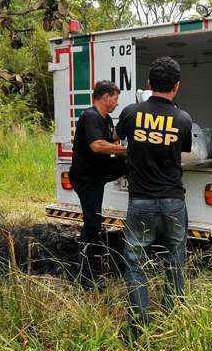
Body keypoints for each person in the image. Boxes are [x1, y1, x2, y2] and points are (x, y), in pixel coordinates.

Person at [115, 57, 193, 333]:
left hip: (140, 200)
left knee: (135, 262)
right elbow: (182, 151)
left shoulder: (130, 113)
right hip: (173, 200)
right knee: (175, 259)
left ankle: (139, 325)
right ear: (177, 87)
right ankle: (174, 318)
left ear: (148, 84)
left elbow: (118, 139)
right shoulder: (183, 119)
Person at [69, 80, 127, 291]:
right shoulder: (90, 116)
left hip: (99, 172)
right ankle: (86, 274)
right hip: (86, 178)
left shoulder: (106, 118)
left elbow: (110, 137)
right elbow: (97, 145)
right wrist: (124, 151)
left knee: (129, 164)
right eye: (115, 98)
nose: (117, 103)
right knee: (92, 222)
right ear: (105, 97)